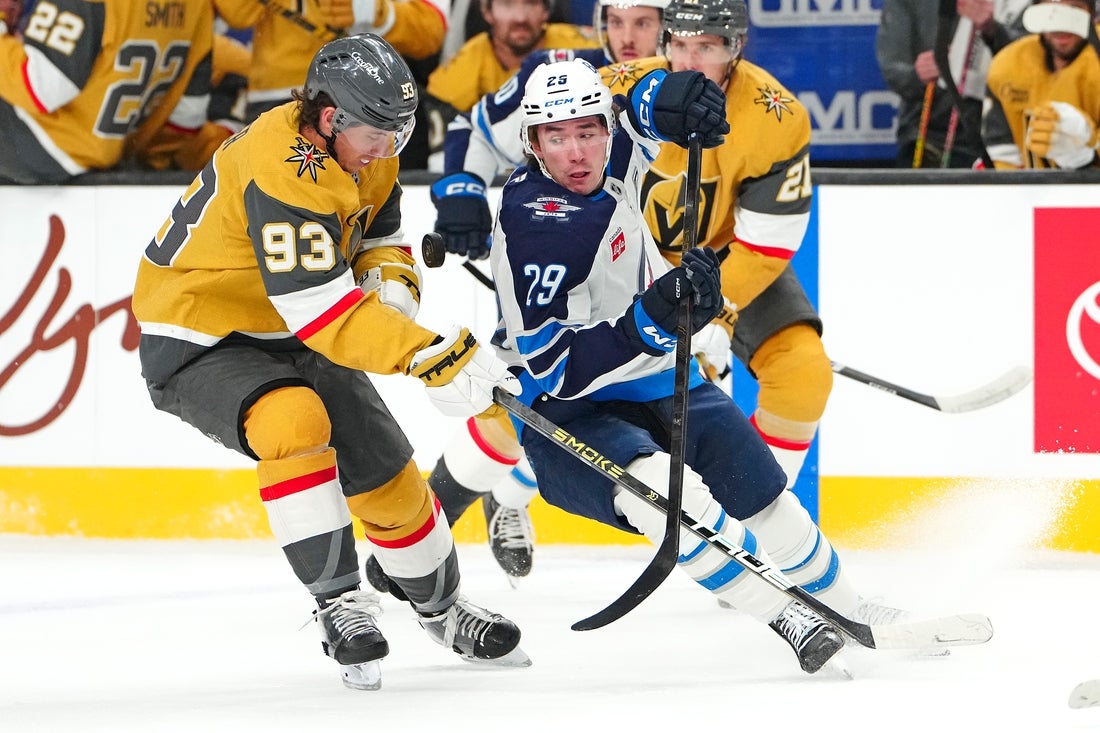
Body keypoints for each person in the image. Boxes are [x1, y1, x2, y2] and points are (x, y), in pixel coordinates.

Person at [131, 34, 529, 691]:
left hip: (291, 328)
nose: (387, 149)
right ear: (327, 119)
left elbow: (380, 239)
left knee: (385, 469)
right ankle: (340, 602)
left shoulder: (365, 148)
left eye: (398, 134)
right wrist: (427, 352)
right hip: (202, 333)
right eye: (377, 134)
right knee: (293, 420)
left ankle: (442, 608)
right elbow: (321, 313)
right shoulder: (279, 168)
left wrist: (391, 298)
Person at [490, 56, 858, 674]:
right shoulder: (540, 229)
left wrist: (671, 95)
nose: (576, 152)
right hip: (567, 405)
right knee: (660, 493)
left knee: (764, 493)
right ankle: (786, 615)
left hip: (657, 371)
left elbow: (641, 111)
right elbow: (553, 370)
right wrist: (648, 322)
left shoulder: (612, 152)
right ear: (533, 143)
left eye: (588, 131)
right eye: (556, 137)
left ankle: (853, 610)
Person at [398, 0, 670, 586]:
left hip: (647, 287)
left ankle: (508, 496)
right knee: (527, 400)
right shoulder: (568, 80)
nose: (628, 37)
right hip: (569, 275)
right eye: (616, 22)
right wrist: (462, 191)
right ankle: (422, 531)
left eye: (644, 23)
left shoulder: (691, 101)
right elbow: (474, 129)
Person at [0, 0, 215, 184]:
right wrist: (148, 160)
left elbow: (41, 87)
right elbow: (188, 117)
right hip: (115, 153)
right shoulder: (197, 5)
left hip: (44, 143)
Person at [423, 0, 598, 165]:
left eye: (531, 3)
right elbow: (441, 157)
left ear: (546, 11)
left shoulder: (585, 47)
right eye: (507, 3)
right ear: (487, 12)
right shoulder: (461, 68)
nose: (520, 17)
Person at [876, 0, 1029, 168]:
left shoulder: (1022, 5)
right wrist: (917, 75)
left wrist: (994, 31)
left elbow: (1036, 63)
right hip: (930, 138)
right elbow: (893, 69)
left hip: (1003, 139)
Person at [982, 0, 1100, 168]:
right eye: (1051, 11)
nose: (1062, 24)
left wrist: (1087, 153)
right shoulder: (1009, 66)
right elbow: (1004, 158)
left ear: (1093, 15)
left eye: (1074, 9)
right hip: (1032, 184)